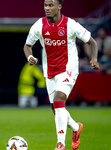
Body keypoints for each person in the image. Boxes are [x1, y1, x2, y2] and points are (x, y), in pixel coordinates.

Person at [23, 0, 99, 149]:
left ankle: (60, 144)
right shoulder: (39, 25)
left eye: (51, 5)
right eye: (45, 5)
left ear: (59, 6)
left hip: (68, 69)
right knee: (56, 109)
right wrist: (29, 57)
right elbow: (27, 45)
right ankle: (76, 128)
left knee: (59, 101)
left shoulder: (70, 25)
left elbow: (92, 42)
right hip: (50, 71)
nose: (47, 8)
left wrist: (93, 58)